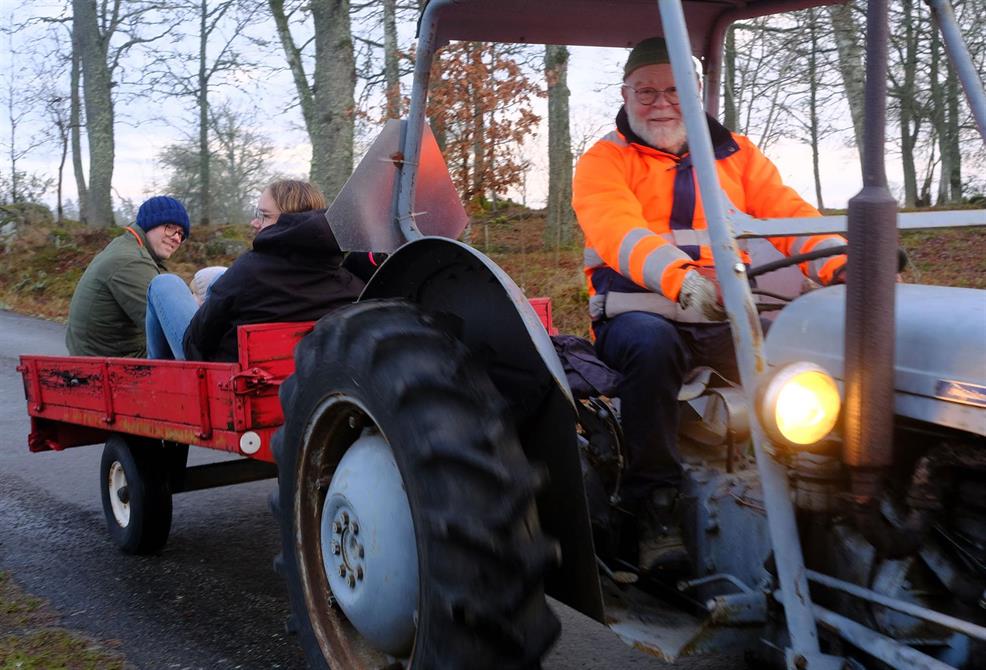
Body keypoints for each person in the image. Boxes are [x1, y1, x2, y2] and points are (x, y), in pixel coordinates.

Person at [572, 37, 847, 567]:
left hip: (725, 317)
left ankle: (813, 490)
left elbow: (787, 214)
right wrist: (680, 280)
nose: (661, 103)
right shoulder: (606, 160)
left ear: (696, 90)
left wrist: (841, 262)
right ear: (626, 95)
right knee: (652, 348)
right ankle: (654, 505)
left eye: (675, 89)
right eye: (646, 91)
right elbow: (616, 228)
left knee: (803, 358)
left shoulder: (737, 155)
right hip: (638, 315)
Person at [145, 180, 364, 362]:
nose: (254, 222)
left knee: (164, 284)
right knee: (215, 277)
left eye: (264, 216)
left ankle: (151, 378)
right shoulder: (346, 279)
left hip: (225, 378)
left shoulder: (249, 271)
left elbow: (196, 341)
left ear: (293, 221)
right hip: (303, 375)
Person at [65, 196, 190, 358]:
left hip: (105, 353)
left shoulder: (128, 247)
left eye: (181, 234)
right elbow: (171, 329)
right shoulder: (131, 261)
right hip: (111, 362)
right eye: (170, 227)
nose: (176, 238)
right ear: (150, 223)